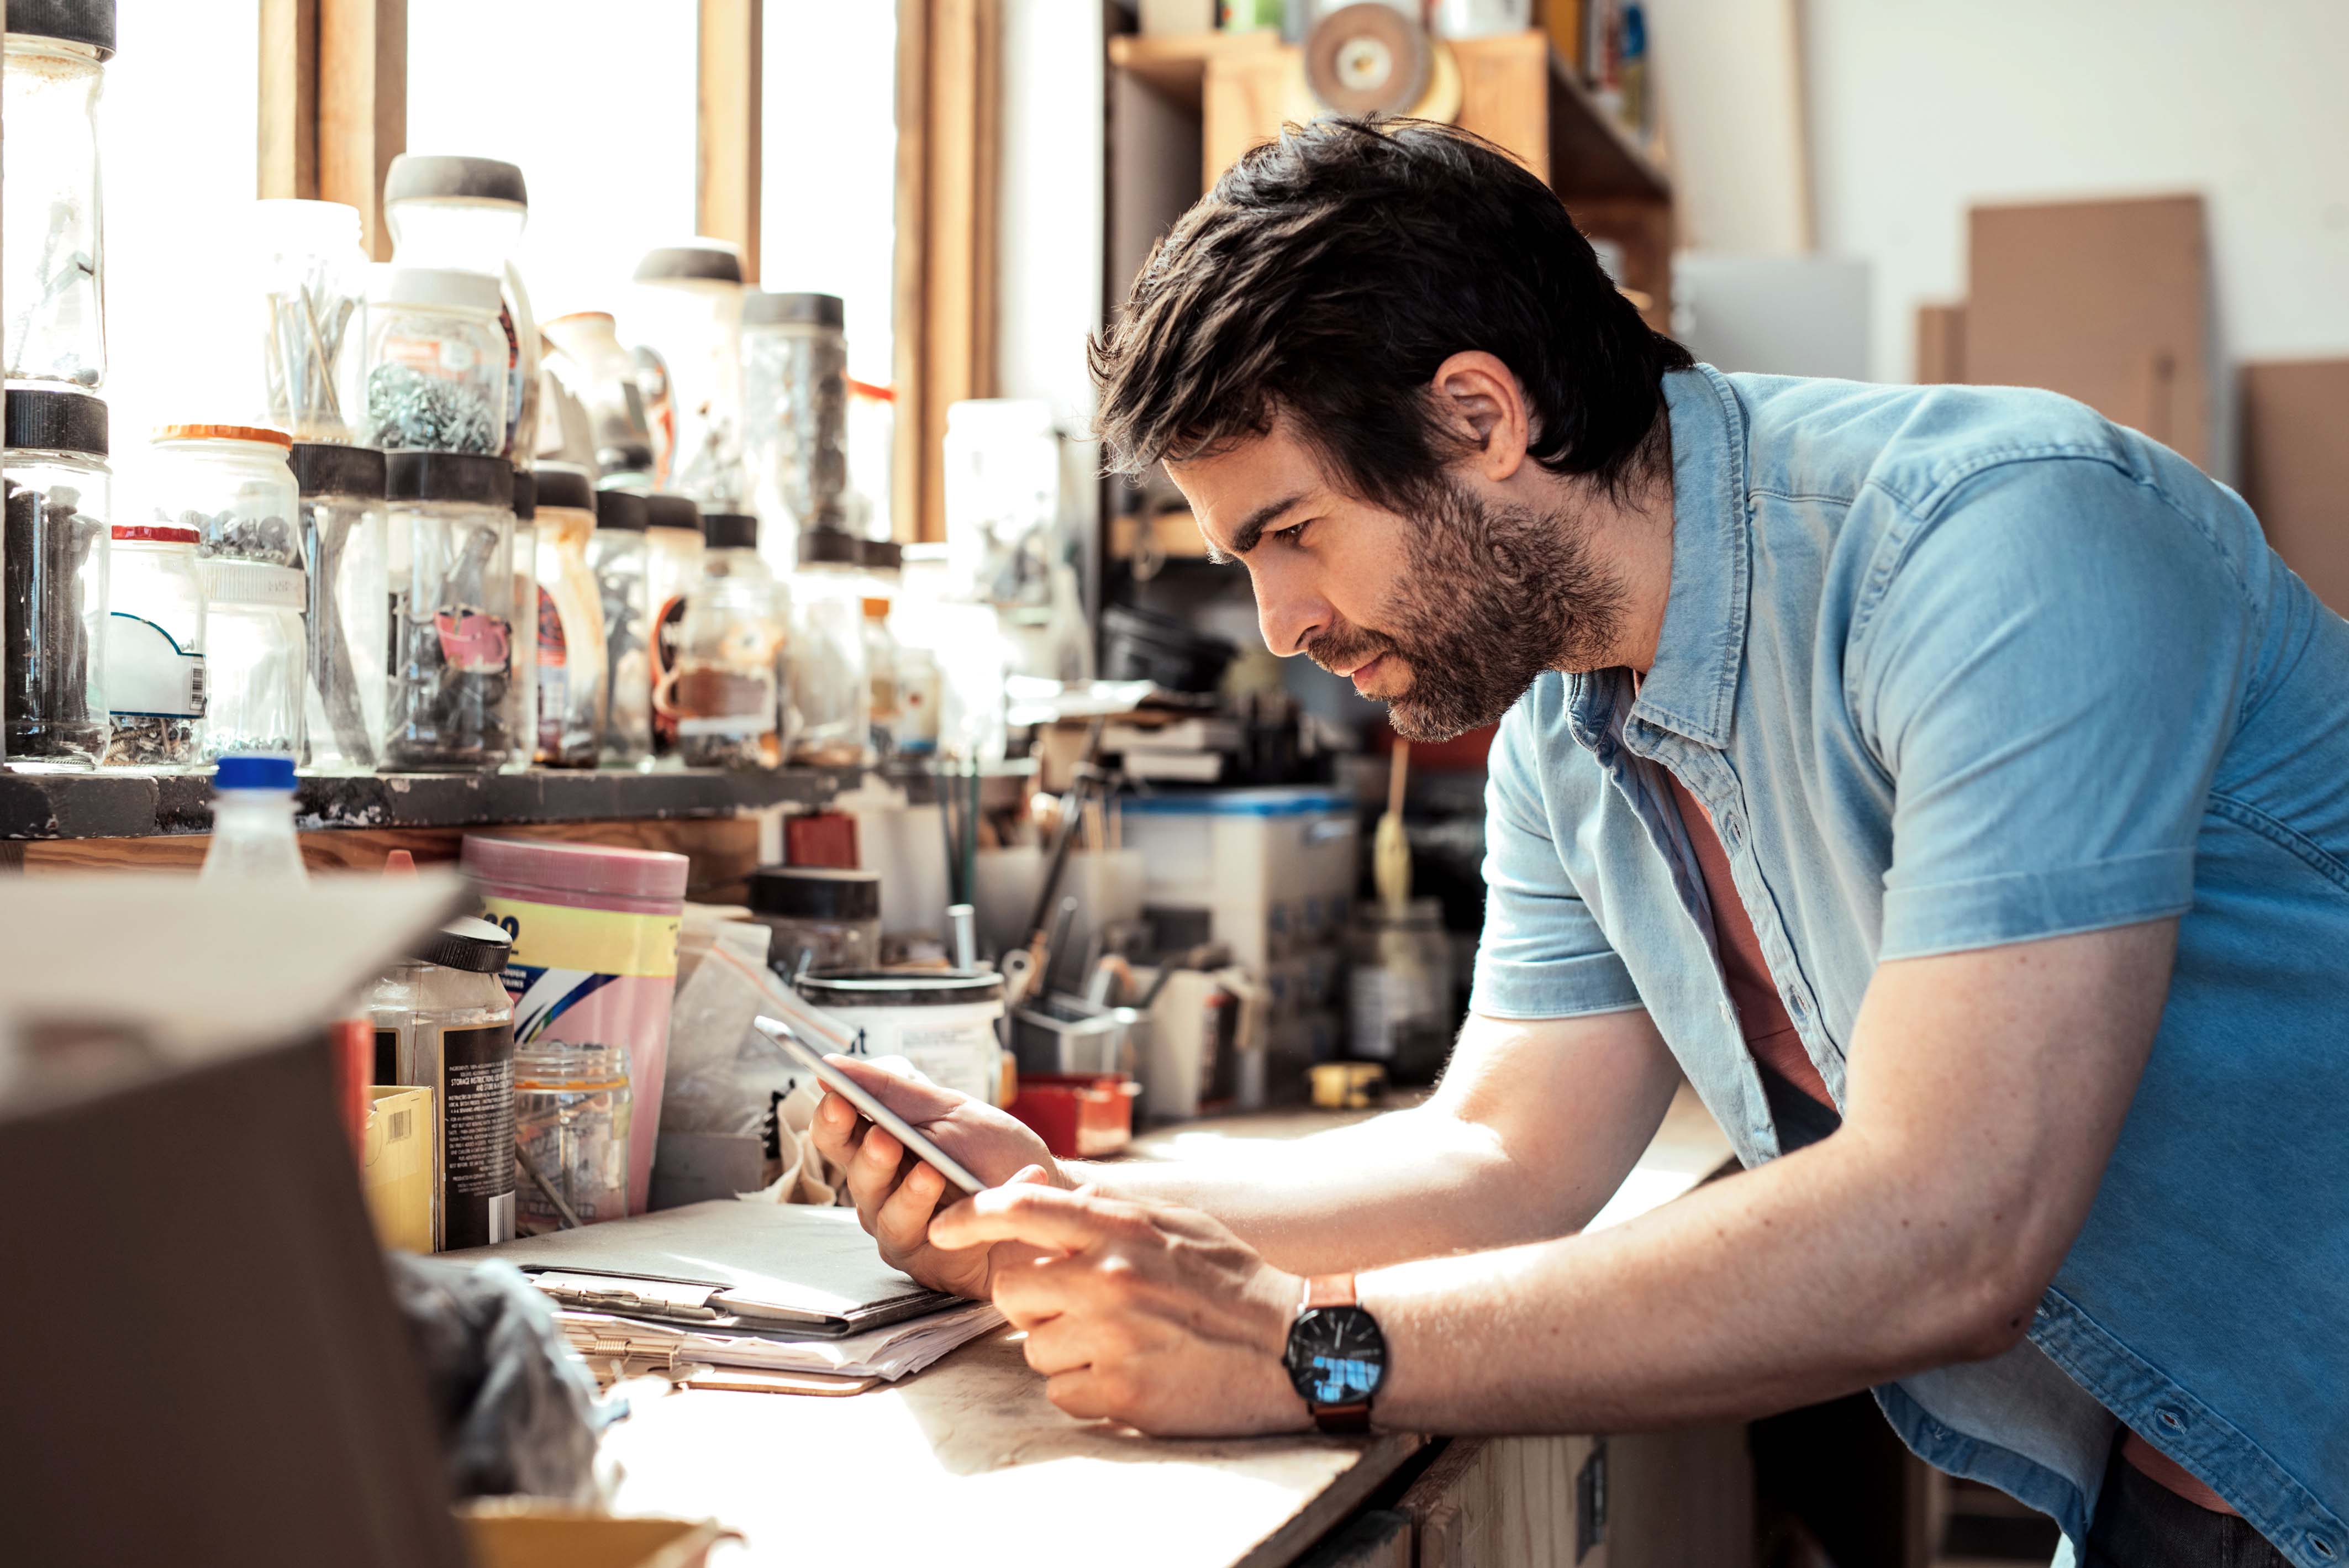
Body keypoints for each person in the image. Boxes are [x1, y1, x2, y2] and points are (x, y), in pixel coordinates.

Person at [810, 119, 2348, 1567]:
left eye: (1290, 533)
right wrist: (1068, 1206)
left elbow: (1952, 1228)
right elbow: (1500, 1155)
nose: (1282, 625)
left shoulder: (1998, 544)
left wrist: (1307, 1352)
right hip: (2188, 1481)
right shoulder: (1567, 726)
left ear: (1479, 417)